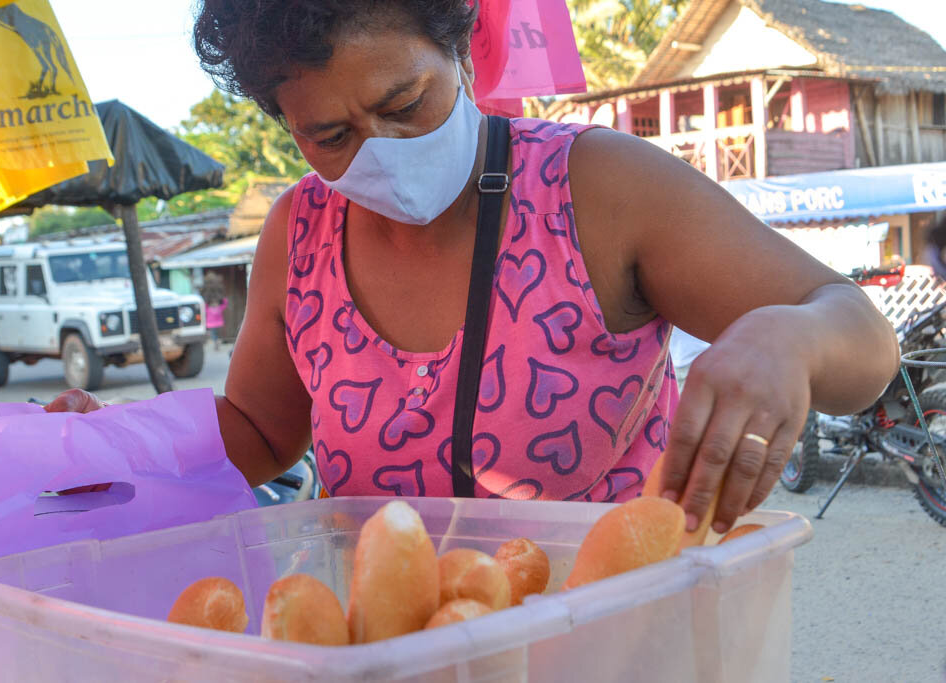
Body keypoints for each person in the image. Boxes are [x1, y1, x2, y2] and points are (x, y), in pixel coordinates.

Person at [47, 0, 899, 537]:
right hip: (400, 643)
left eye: (404, 103)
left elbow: (861, 340)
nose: (379, 152)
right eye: (329, 136)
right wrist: (117, 444)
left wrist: (788, 338)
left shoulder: (599, 188)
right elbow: (264, 434)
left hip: (612, 640)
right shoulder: (298, 232)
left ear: (458, 47)